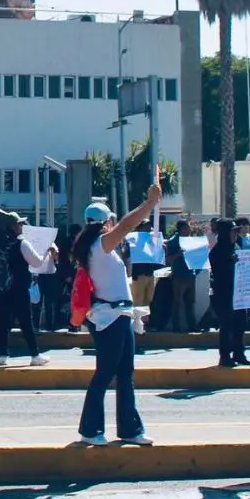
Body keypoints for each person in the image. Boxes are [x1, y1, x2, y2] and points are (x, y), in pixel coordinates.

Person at [73, 185, 162, 447]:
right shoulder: (99, 245)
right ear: (105, 222)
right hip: (109, 316)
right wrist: (148, 204)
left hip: (119, 313)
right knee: (106, 373)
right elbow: (125, 226)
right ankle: (90, 429)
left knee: (124, 373)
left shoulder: (96, 246)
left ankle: (130, 429)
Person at [0, 213, 56, 366]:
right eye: (20, 224)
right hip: (19, 288)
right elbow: (37, 262)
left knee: (3, 323)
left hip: (2, 288)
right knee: (26, 322)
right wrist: (46, 251)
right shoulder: (22, 243)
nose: (22, 227)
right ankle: (35, 355)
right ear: (14, 226)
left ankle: (3, 355)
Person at [209, 219, 250, 367]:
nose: (236, 234)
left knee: (240, 324)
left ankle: (239, 353)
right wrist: (231, 261)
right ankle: (225, 356)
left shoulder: (235, 247)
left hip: (239, 293)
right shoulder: (217, 251)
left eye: (236, 231)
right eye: (233, 231)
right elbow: (220, 272)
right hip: (224, 294)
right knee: (226, 326)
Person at [164, 220, 199, 333]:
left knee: (190, 301)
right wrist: (179, 254)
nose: (189, 230)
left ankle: (192, 326)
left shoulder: (191, 240)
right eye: (187, 227)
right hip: (179, 275)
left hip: (191, 274)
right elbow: (168, 259)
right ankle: (176, 326)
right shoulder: (173, 241)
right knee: (177, 302)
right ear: (181, 229)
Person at [128, 220, 161, 309]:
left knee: (148, 302)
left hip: (150, 273)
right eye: (146, 226)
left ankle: (145, 322)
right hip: (139, 275)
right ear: (140, 228)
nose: (149, 229)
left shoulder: (151, 240)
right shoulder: (133, 239)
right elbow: (126, 253)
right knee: (138, 302)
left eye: (150, 227)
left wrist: (160, 249)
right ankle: (137, 322)